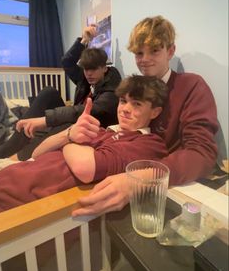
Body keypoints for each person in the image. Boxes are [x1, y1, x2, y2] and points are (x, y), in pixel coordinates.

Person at [72, 15, 218, 217]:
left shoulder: (191, 86)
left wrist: (141, 178)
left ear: (171, 51)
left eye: (155, 50)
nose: (145, 60)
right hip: (117, 170)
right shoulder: (136, 86)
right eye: (139, 53)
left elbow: (202, 153)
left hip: (162, 190)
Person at [0, 75, 168, 213]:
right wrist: (70, 133)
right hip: (11, 177)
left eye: (136, 104)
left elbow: (85, 168)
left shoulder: (147, 143)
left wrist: (72, 140)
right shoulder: (104, 131)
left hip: (17, 199)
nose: (125, 109)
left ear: (155, 112)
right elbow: (36, 153)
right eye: (123, 101)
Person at [0, 25, 121, 160]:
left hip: (92, 128)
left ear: (104, 69)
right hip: (78, 119)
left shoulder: (112, 90)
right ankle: (13, 143)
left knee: (68, 123)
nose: (88, 74)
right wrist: (84, 40)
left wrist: (45, 120)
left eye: (93, 69)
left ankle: (20, 155)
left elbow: (80, 111)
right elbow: (67, 61)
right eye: (86, 69)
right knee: (49, 92)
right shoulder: (87, 78)